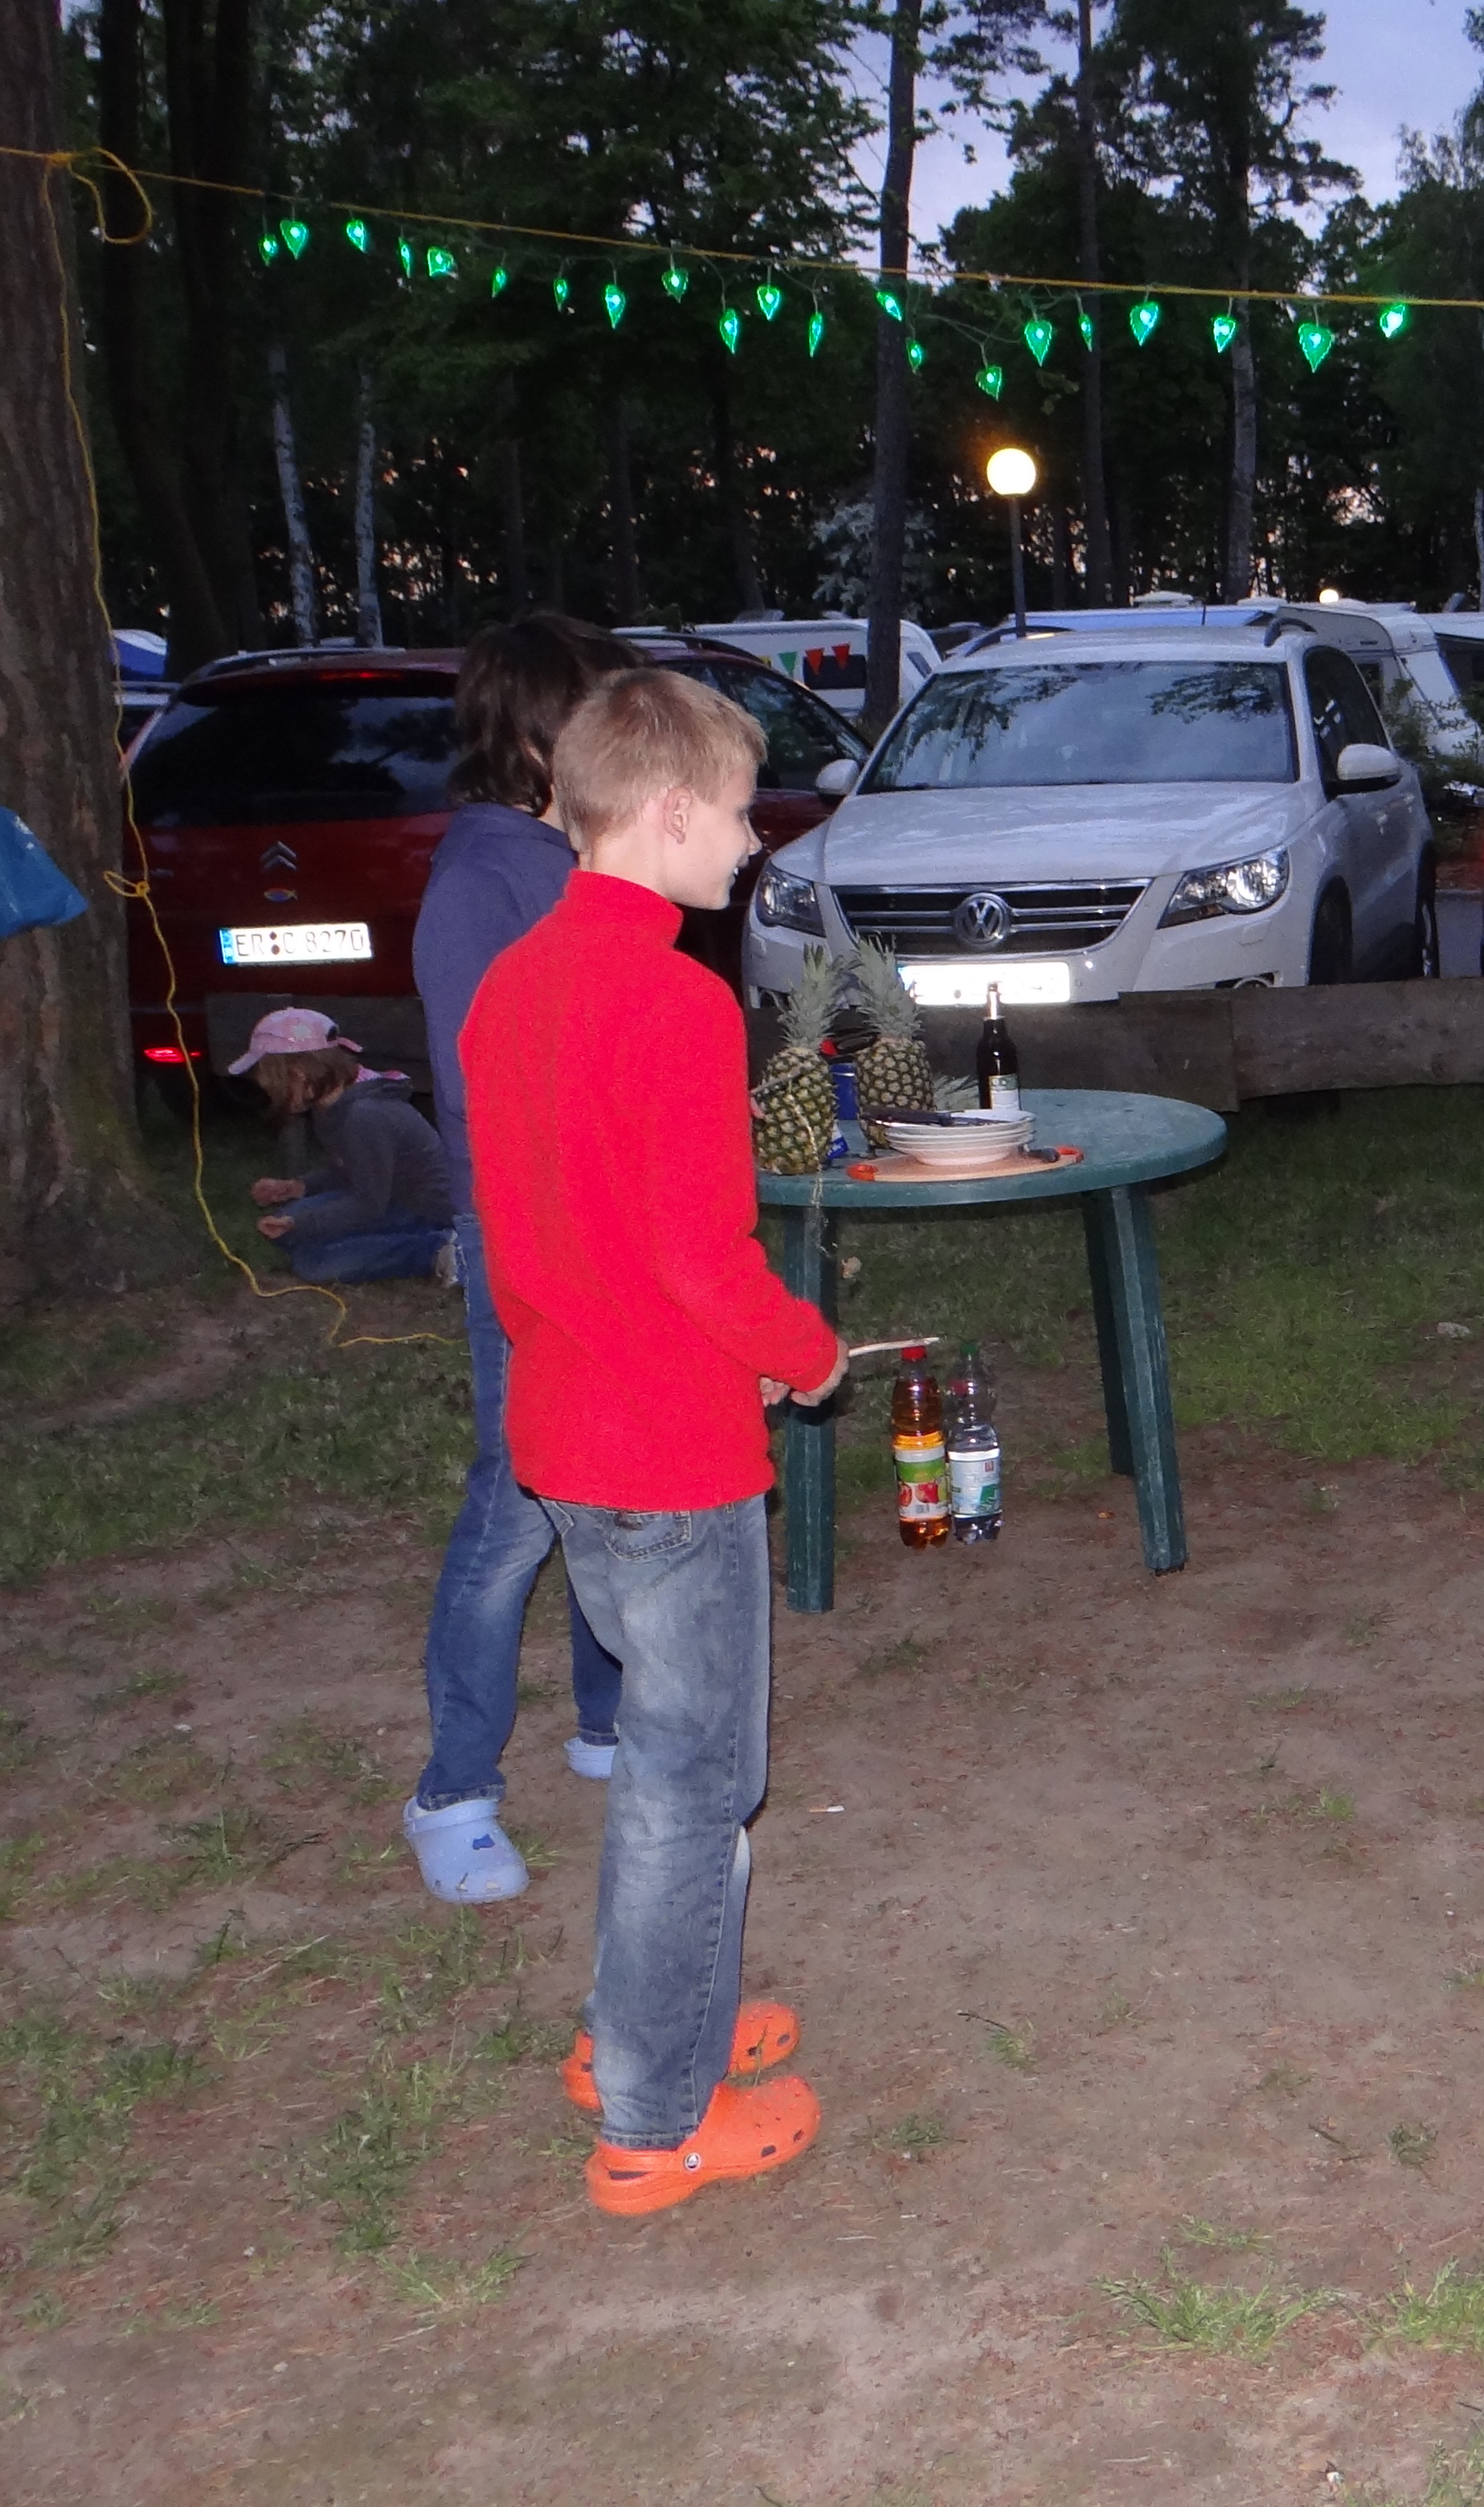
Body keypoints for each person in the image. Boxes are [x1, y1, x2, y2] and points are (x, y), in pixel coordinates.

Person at [460, 665, 844, 2217]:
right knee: (696, 1784)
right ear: (672, 810)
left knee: (663, 1771)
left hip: (564, 1429)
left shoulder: (512, 984)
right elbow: (699, 1254)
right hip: (670, 1458)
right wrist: (801, 1351)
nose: (751, 844)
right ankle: (655, 2116)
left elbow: (538, 1227)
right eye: (741, 815)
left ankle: (644, 2017)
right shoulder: (677, 1003)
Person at [399, 614, 640, 1908]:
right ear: (541, 735)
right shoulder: (483, 880)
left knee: (608, 1473)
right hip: (531, 1232)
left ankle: (606, 1722)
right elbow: (487, 1088)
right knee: (522, 1497)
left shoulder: (577, 863)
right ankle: (452, 1792)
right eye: (606, 717)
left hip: (609, 1224)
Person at [236, 1008, 448, 1283]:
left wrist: (301, 1224)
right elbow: (348, 1168)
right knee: (291, 1224)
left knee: (315, 1263)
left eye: (274, 1085)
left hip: (419, 1209)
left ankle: (439, 1249)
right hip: (383, 1196)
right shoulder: (330, 1104)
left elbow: (368, 1205)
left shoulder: (366, 1116)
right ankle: (377, 1242)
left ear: (299, 1074)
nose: (271, 1094)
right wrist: (297, 1187)